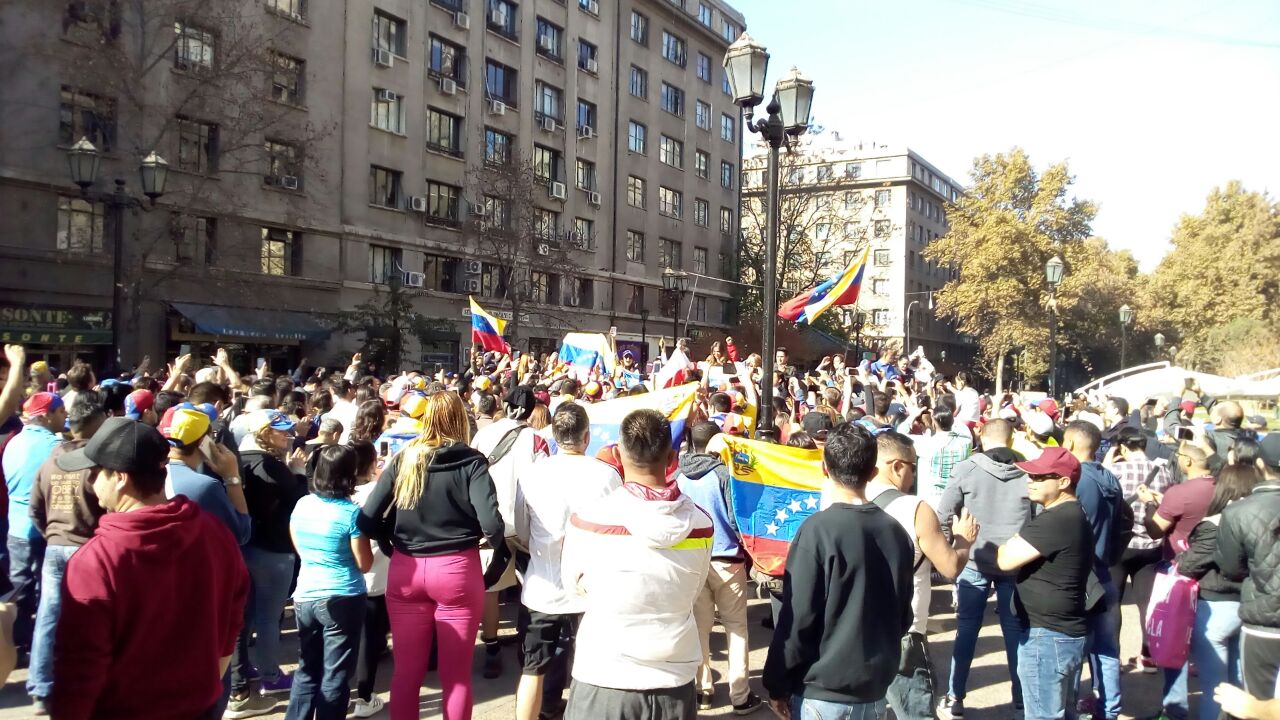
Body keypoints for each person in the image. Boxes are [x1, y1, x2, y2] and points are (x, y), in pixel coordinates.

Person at [49, 417, 248, 719]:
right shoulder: (215, 533)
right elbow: (231, 628)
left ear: (119, 477)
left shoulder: (96, 561)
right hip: (200, 708)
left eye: (95, 472)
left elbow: (79, 674)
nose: (90, 482)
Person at [358, 390, 508, 720]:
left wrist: (389, 543)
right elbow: (491, 525)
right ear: (460, 420)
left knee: (406, 674)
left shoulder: (404, 458)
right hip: (456, 568)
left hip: (406, 569)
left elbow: (366, 519)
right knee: (455, 678)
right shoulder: (471, 461)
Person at [561, 409, 713, 720]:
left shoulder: (589, 519)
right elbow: (692, 592)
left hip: (605, 676)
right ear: (672, 457)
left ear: (618, 454)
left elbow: (574, 591)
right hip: (674, 681)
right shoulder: (701, 524)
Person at [763, 423, 914, 720]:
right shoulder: (896, 532)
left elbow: (798, 620)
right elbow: (902, 615)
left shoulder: (816, 531)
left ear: (824, 469)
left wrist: (776, 683)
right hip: (874, 689)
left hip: (823, 692)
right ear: (873, 472)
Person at [513, 403, 623, 720]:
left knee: (533, 669)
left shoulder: (533, 474)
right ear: (586, 436)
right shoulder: (607, 475)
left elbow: (521, 528)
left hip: (544, 584)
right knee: (591, 668)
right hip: (591, 586)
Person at [869, 431, 978, 720]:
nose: (914, 475)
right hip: (905, 629)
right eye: (913, 467)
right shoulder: (915, 508)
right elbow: (951, 566)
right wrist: (963, 540)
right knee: (916, 712)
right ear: (896, 466)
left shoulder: (843, 501)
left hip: (856, 629)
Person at [936, 419, 1032, 719]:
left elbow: (943, 513)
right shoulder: (1030, 473)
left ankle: (955, 698)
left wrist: (950, 550)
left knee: (967, 629)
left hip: (974, 559)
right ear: (1012, 438)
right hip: (1014, 561)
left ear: (980, 435)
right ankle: (1021, 701)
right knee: (1014, 631)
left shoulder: (967, 469)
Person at [989, 447, 1092, 720]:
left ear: (1063, 482)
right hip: (1059, 632)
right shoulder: (1069, 513)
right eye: (1030, 476)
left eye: (1039, 477)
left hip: (1048, 636)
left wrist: (1009, 544)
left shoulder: (1057, 518)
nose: (1030, 482)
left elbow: (1006, 559)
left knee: (1043, 715)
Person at [26, 393, 106, 713]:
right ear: (98, 425)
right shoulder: (98, 463)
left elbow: (35, 508)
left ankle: (41, 686)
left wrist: (52, 535)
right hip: (87, 548)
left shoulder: (51, 459)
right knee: (92, 619)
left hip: (55, 546)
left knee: (48, 615)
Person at [674, 421, 761, 715]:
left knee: (700, 629)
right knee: (736, 629)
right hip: (728, 559)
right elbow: (736, 517)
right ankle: (740, 695)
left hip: (693, 559)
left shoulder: (678, 476)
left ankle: (703, 689)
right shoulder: (724, 474)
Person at [284, 445, 373, 720]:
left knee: (307, 669)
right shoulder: (352, 513)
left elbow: (299, 545)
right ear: (350, 474)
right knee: (335, 676)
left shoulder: (302, 504)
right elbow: (364, 563)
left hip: (306, 595)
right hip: (342, 596)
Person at [470, 385, 546, 677]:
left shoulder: (484, 434)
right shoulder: (537, 439)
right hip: (526, 524)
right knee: (531, 581)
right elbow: (542, 480)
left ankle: (491, 648)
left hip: (489, 521)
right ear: (530, 410)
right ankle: (526, 639)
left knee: (491, 587)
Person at [234, 409, 309, 700]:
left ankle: (242, 673)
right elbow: (298, 503)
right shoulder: (269, 465)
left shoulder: (239, 461)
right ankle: (270, 675)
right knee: (268, 616)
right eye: (280, 430)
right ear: (263, 433)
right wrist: (299, 473)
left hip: (247, 546)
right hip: (274, 551)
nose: (287, 434)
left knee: (246, 615)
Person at [1140, 444, 1218, 720]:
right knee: (1212, 648)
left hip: (1179, 571)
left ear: (1186, 461)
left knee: (1175, 643)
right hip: (1214, 573)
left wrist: (1150, 504)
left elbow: (1154, 529)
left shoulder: (1180, 492)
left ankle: (1174, 710)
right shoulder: (1220, 487)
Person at [1175, 465, 1256, 720]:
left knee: (1215, 690)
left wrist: (1181, 556)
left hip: (1216, 607)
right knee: (1239, 687)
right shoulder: (1261, 517)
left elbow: (1188, 565)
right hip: (1248, 606)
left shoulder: (1216, 524)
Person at [1215, 433, 1280, 702]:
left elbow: (1230, 568)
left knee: (1257, 703)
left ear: (1260, 465)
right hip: (1261, 618)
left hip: (1262, 622)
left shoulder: (1238, 511)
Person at [1104, 425, 1173, 673]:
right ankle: (1149, 656)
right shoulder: (1163, 471)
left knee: (1114, 602)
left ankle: (1114, 658)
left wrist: (1109, 461)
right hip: (1152, 543)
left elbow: (1105, 492)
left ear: (1122, 447)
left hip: (1121, 544)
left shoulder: (1116, 470)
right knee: (1147, 602)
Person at [3, 392, 66, 658]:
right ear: (48, 414)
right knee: (47, 594)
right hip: (44, 529)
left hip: (15, 529)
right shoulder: (56, 446)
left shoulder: (13, 442)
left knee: (18, 589)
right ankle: (40, 649)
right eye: (61, 411)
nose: (65, 416)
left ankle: (14, 644)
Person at [350, 441, 390, 718]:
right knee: (369, 635)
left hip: (343, 577)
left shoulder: (332, 494)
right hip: (375, 574)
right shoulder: (376, 491)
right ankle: (364, 696)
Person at [913, 407, 973, 509]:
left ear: (934, 423)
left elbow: (899, 432)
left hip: (931, 501)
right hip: (958, 498)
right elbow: (963, 429)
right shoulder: (966, 442)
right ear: (953, 421)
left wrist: (914, 415)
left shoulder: (924, 444)